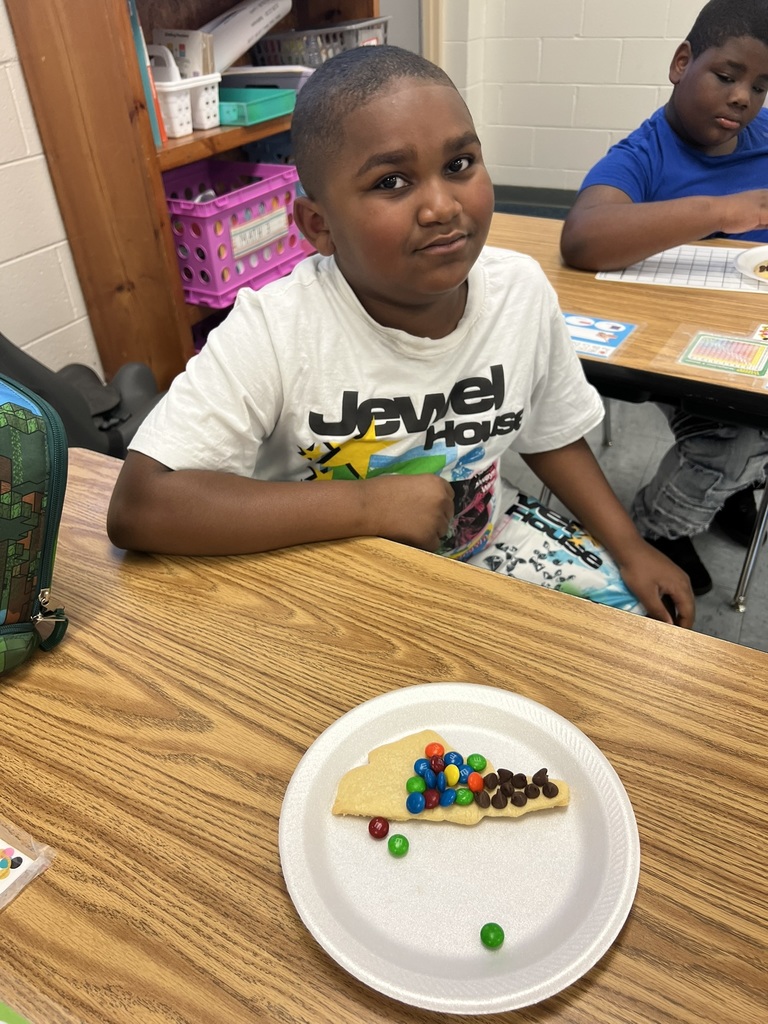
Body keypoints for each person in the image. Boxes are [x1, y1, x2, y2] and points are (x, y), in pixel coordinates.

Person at [107, 45, 693, 626]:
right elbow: (141, 505)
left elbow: (548, 432)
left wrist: (630, 544)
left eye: (460, 164)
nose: (441, 205)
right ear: (319, 225)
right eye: (392, 181)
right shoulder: (278, 326)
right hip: (321, 572)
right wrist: (367, 503)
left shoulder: (520, 291)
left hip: (480, 540)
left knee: (638, 637)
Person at [560, 0, 768, 596]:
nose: (742, 99)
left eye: (760, 87)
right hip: (678, 346)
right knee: (742, 435)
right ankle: (661, 527)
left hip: (754, 331)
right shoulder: (644, 152)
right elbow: (583, 238)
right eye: (726, 76)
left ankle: (726, 488)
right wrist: (732, 210)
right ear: (682, 63)